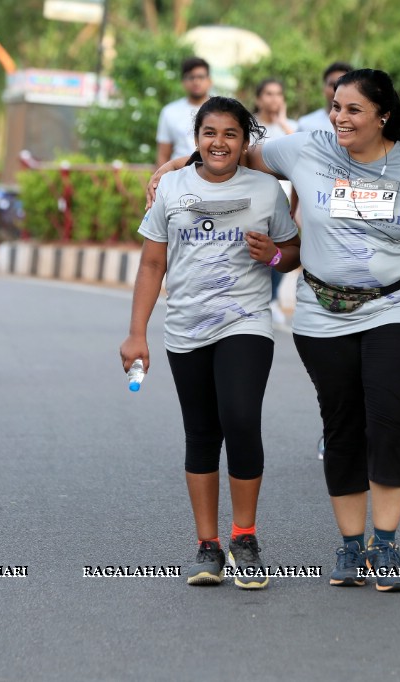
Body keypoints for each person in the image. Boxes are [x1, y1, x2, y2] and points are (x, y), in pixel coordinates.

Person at [149, 69, 400, 592]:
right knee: (342, 424)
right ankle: (350, 544)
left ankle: (386, 543)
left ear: (383, 114)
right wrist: (180, 164)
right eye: (336, 107)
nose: (340, 117)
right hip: (322, 311)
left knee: (391, 418)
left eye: (353, 110)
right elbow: (235, 151)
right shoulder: (308, 149)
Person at [121, 96, 300, 589]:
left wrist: (273, 256)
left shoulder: (266, 190)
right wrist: (137, 333)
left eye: (230, 134)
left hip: (246, 324)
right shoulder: (171, 189)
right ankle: (207, 546)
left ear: (245, 142)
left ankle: (244, 536)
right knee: (202, 433)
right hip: (185, 327)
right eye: (210, 133)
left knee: (241, 420)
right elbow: (152, 264)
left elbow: (291, 254)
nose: (219, 143)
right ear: (195, 138)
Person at [252, 78, 299, 325]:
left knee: (282, 250)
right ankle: (259, 299)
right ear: (259, 98)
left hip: (282, 202)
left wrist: (282, 122)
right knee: (257, 251)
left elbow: (302, 158)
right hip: (254, 200)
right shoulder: (249, 126)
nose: (274, 99)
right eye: (268, 93)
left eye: (278, 94)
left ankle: (272, 298)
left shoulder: (290, 126)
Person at [155, 57, 212, 167]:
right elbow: (163, 154)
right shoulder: (170, 111)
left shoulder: (221, 111)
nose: (196, 82)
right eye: (191, 77)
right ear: (183, 82)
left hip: (215, 177)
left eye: (201, 77)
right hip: (179, 176)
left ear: (210, 81)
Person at [296, 61, 353, 133]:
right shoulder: (306, 124)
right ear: (323, 88)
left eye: (342, 85)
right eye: (332, 84)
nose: (337, 90)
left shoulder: (359, 125)